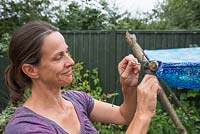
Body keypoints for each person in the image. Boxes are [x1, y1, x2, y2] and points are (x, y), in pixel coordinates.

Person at [5, 21, 161, 134]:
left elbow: (123, 115)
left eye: (67, 52)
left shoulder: (76, 100)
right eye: (59, 57)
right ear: (31, 70)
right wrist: (144, 113)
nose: (71, 61)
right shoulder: (26, 128)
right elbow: (135, 116)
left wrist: (128, 87)